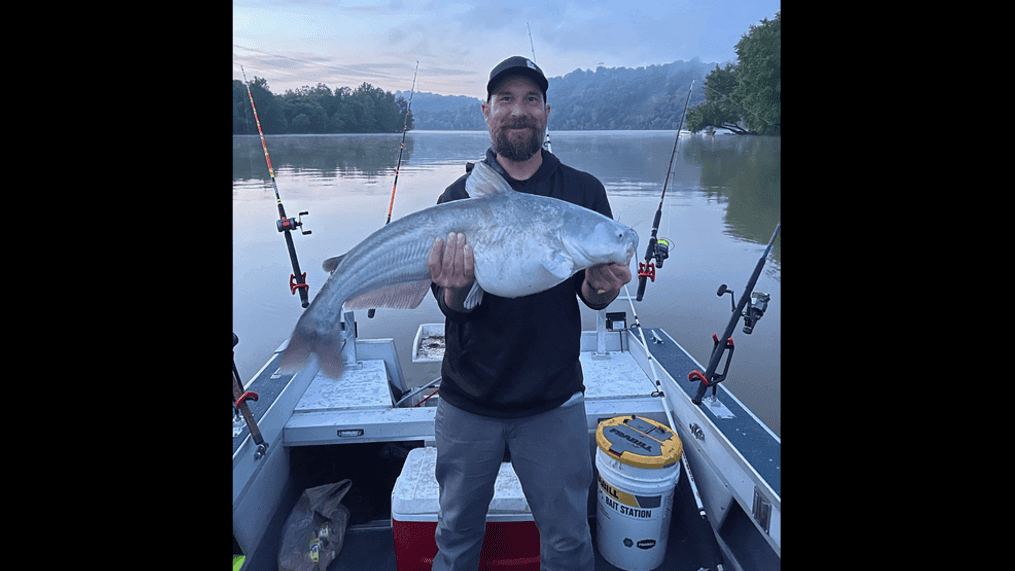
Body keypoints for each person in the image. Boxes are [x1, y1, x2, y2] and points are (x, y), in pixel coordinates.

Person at [425, 56, 631, 571]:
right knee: (454, 538)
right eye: (506, 100)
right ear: (486, 111)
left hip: (553, 400)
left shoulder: (583, 193)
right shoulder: (457, 198)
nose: (520, 111)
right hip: (469, 400)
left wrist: (604, 290)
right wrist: (456, 290)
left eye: (531, 100)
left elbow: (593, 296)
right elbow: (452, 307)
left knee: (567, 542)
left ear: (546, 112)